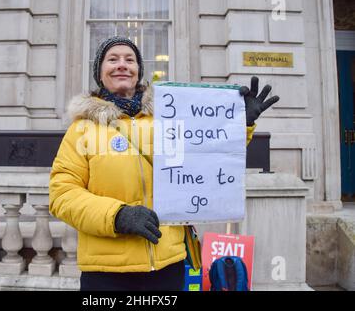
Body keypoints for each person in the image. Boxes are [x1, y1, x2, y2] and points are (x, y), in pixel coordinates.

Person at [49, 36, 279, 291]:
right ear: (100, 74)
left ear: (139, 71)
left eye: (130, 60)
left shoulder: (170, 119)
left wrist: (238, 124)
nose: (122, 65)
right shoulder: (82, 130)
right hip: (107, 273)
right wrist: (117, 216)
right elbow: (62, 195)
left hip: (168, 265)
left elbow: (207, 158)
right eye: (112, 60)